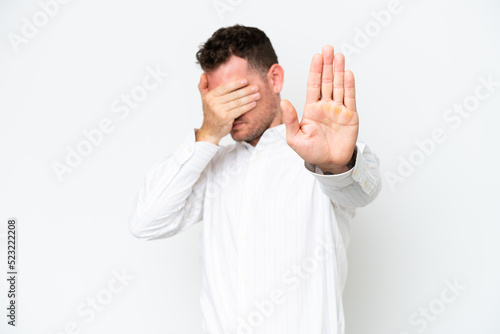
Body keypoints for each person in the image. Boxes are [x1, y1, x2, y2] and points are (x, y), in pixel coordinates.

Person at [129, 24, 382, 334]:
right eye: (217, 100)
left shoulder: (317, 154)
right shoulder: (212, 168)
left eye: (237, 93)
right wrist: (208, 133)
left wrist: (336, 164)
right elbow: (146, 222)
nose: (228, 111)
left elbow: (361, 192)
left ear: (274, 79)